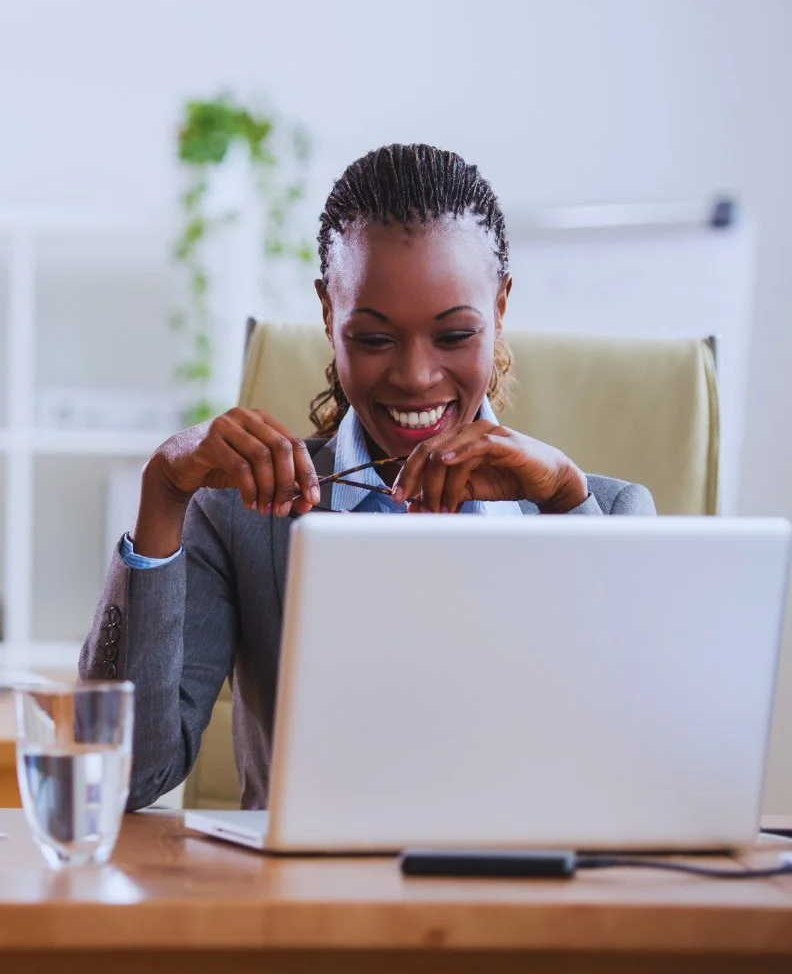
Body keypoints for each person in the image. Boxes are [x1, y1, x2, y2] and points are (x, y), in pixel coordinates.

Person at [80, 143, 656, 811]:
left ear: (500, 307)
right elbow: (121, 776)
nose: (415, 375)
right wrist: (164, 492)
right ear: (329, 314)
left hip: (524, 902)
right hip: (307, 908)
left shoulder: (604, 514)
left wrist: (565, 501)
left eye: (453, 335)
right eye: (375, 338)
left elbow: (636, 769)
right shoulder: (236, 514)